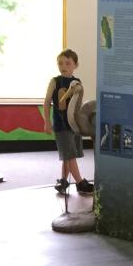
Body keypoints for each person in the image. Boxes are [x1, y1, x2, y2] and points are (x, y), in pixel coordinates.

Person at [43, 49, 94, 195]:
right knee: (70, 156)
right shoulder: (55, 81)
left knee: (68, 155)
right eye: (60, 63)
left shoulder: (77, 83)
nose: (63, 66)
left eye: (67, 63)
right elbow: (47, 101)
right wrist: (47, 121)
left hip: (74, 125)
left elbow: (78, 104)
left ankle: (63, 182)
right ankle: (80, 183)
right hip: (62, 125)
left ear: (75, 65)